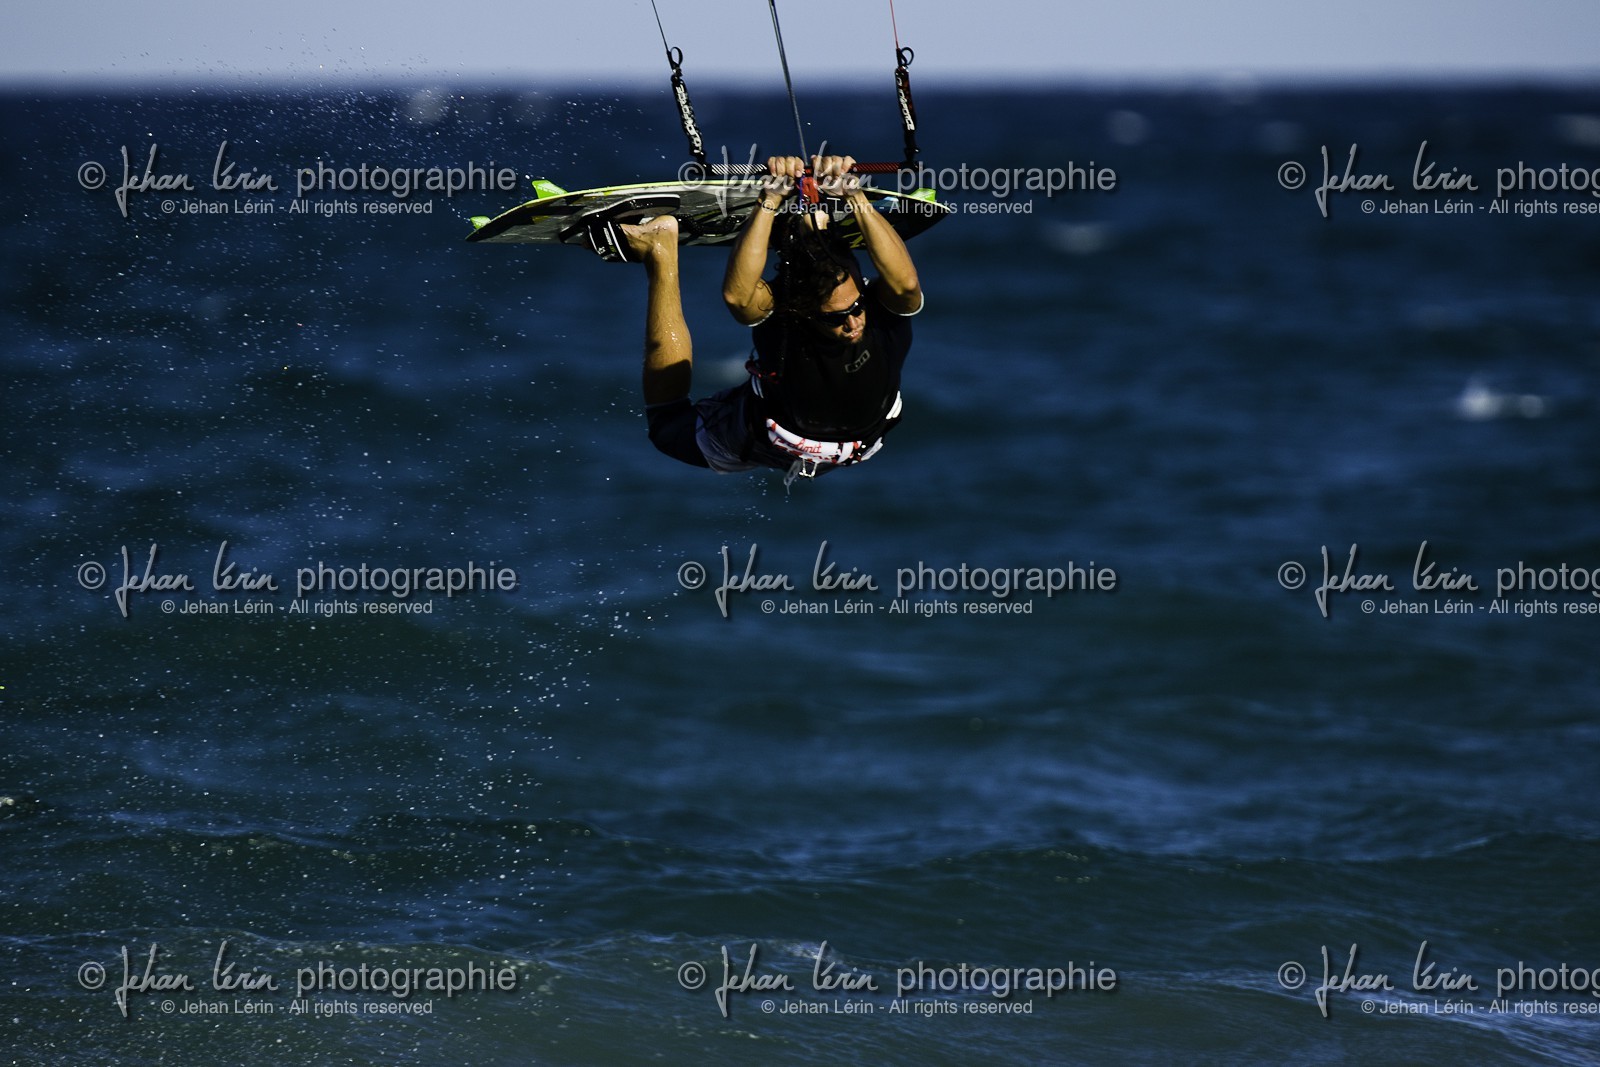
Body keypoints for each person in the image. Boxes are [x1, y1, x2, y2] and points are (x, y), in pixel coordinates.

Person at [611, 154, 924, 485]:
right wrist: (768, 199)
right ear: (804, 313)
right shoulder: (785, 320)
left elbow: (906, 283)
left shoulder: (875, 307)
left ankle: (664, 248)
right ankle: (668, 245)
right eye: (836, 318)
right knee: (672, 426)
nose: (853, 323)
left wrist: (855, 195)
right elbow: (738, 296)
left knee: (667, 427)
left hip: (832, 442)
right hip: (785, 432)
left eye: (857, 308)